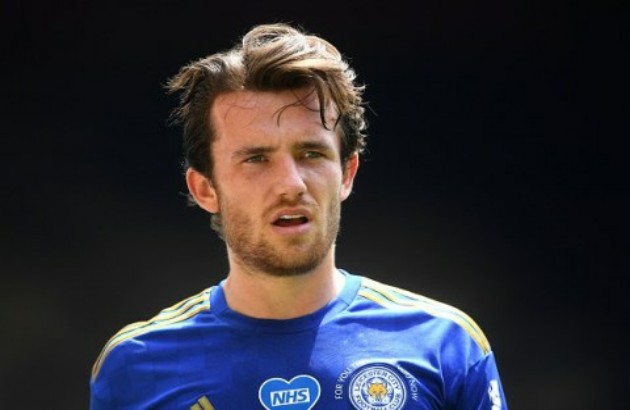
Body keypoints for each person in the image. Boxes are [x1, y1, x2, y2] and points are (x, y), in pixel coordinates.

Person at [89, 23, 508, 410]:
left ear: (347, 173)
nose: (291, 184)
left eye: (311, 153)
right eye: (256, 159)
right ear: (205, 189)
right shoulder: (135, 367)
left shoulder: (446, 346)